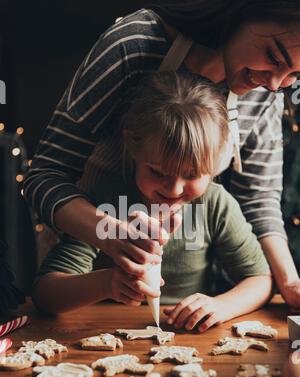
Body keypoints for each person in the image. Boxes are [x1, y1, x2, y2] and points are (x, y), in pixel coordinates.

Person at [24, 1, 300, 308]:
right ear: (244, 9)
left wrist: (290, 282)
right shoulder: (134, 45)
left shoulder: (266, 94)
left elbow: (259, 201)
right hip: (88, 238)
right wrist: (111, 234)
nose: (275, 85)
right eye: (274, 57)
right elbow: (45, 174)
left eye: (295, 74)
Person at [32, 71, 272, 333]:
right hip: (102, 334)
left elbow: (260, 280)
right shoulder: (108, 203)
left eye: (192, 175)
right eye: (157, 172)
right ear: (132, 147)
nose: (174, 189)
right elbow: (46, 294)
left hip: (187, 339)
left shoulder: (215, 205)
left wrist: (223, 306)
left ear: (217, 159)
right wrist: (107, 283)